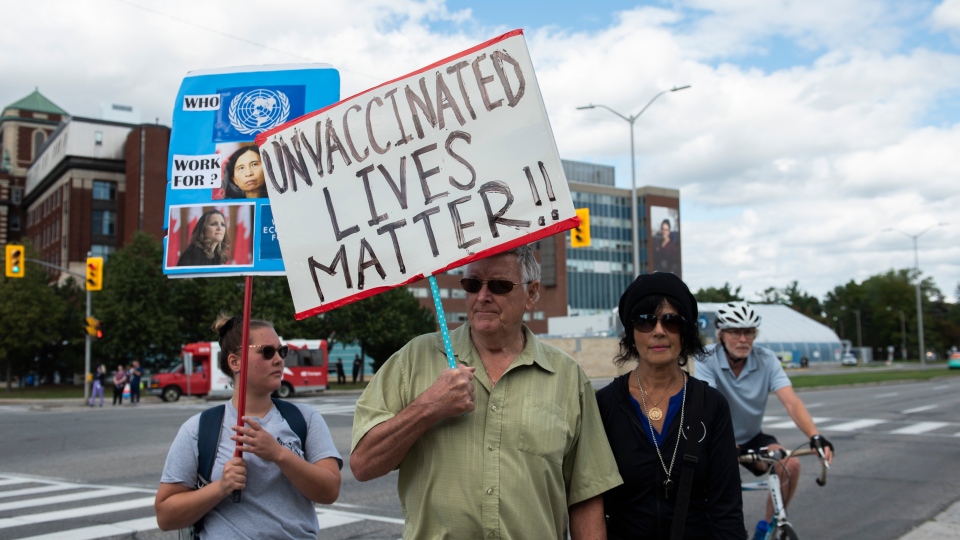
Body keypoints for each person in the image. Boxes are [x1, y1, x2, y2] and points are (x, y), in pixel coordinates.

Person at [350, 244, 622, 539]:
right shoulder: (413, 359)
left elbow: (585, 495)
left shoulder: (568, 378)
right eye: (472, 283)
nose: (482, 296)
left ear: (531, 294)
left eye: (499, 285)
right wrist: (428, 407)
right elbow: (363, 464)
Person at [155, 313, 342, 539]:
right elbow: (165, 516)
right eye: (266, 351)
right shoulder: (198, 429)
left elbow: (330, 490)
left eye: (281, 351)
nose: (279, 360)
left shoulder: (305, 418)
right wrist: (220, 487)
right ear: (235, 362)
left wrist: (279, 454)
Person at [597, 272, 744, 539]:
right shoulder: (605, 404)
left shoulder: (712, 406)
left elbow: (727, 507)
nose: (659, 331)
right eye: (645, 321)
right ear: (631, 332)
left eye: (672, 321)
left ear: (686, 332)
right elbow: (590, 499)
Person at [695, 301, 835, 527]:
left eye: (749, 332)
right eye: (735, 332)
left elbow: (791, 401)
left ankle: (770, 527)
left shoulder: (767, 359)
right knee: (715, 491)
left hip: (751, 437)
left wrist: (815, 436)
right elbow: (708, 405)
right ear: (721, 334)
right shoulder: (705, 357)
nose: (743, 339)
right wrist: (725, 444)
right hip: (717, 438)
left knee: (790, 466)